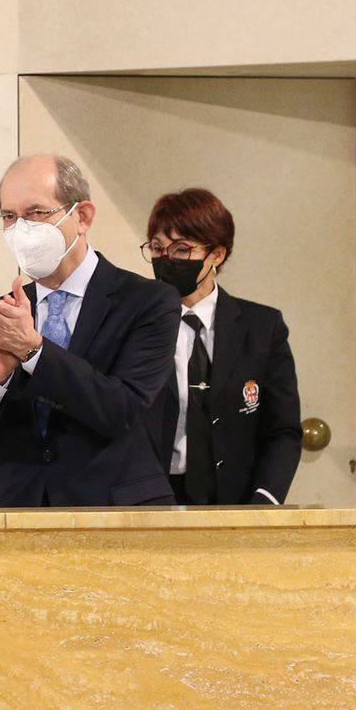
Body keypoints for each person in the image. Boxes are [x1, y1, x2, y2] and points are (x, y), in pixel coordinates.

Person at [0, 154, 180, 506]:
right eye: (9, 217)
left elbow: (122, 410)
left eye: (36, 212)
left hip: (117, 518)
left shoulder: (148, 302)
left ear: (82, 217)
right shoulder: (3, 315)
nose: (21, 229)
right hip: (19, 518)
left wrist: (34, 352)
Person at [143, 188, 300, 505]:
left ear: (217, 254)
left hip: (237, 500)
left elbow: (282, 429)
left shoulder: (263, 327)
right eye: (158, 248)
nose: (166, 260)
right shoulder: (136, 322)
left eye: (182, 250)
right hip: (152, 498)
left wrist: (265, 500)